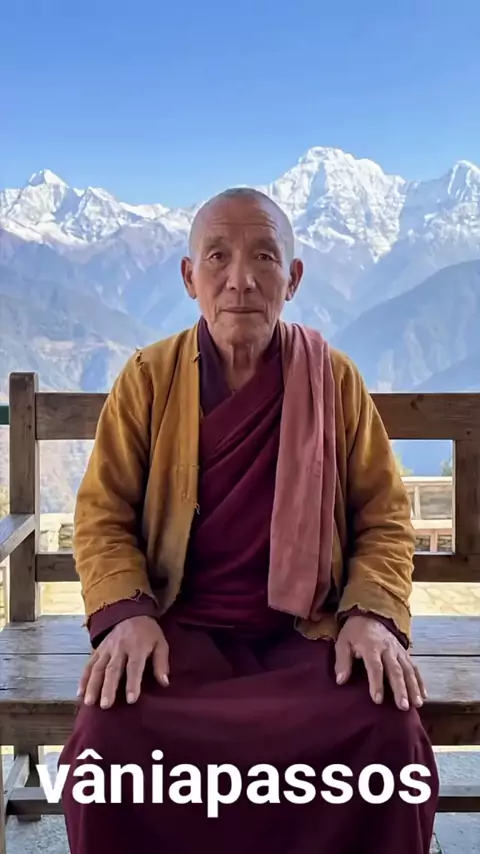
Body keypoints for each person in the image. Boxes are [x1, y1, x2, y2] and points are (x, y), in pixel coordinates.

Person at [60, 187, 439, 854]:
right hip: (178, 629)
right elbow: (102, 514)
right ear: (189, 277)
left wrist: (370, 616)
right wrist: (128, 616)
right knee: (107, 740)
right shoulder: (148, 379)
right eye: (217, 257)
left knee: (389, 733)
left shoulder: (333, 379)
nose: (240, 279)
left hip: (307, 632)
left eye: (264, 256)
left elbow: (383, 515)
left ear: (292, 279)